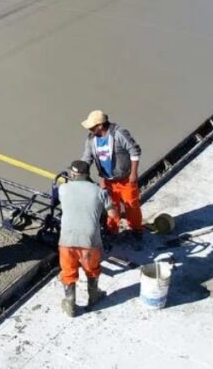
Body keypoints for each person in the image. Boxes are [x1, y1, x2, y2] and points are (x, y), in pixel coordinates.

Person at [58, 160, 114, 317]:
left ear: (73, 174)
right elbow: (112, 214)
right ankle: (93, 296)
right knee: (92, 269)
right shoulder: (100, 191)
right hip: (90, 240)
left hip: (67, 238)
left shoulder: (63, 189)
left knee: (68, 271)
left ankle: (70, 302)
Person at [80, 109, 143, 247]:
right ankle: (112, 229)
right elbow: (87, 157)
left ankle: (136, 229)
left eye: (92, 127)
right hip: (107, 180)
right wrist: (80, 170)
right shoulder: (91, 139)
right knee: (110, 206)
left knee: (132, 206)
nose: (89, 129)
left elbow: (135, 151)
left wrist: (133, 173)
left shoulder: (119, 134)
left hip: (125, 179)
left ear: (100, 126)